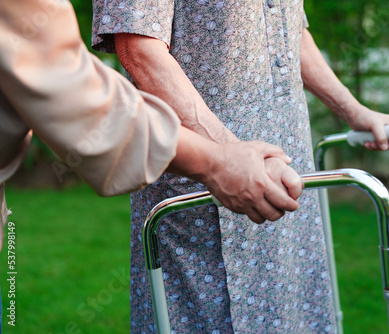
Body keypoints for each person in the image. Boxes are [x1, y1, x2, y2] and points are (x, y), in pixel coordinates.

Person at [92, 1, 389, 333]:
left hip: (287, 176)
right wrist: (228, 157)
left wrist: (353, 110)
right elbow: (139, 49)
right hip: (207, 195)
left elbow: (289, 31)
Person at [0, 0, 304, 253]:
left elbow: (291, 32)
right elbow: (73, 92)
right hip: (200, 195)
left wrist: (352, 112)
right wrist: (218, 159)